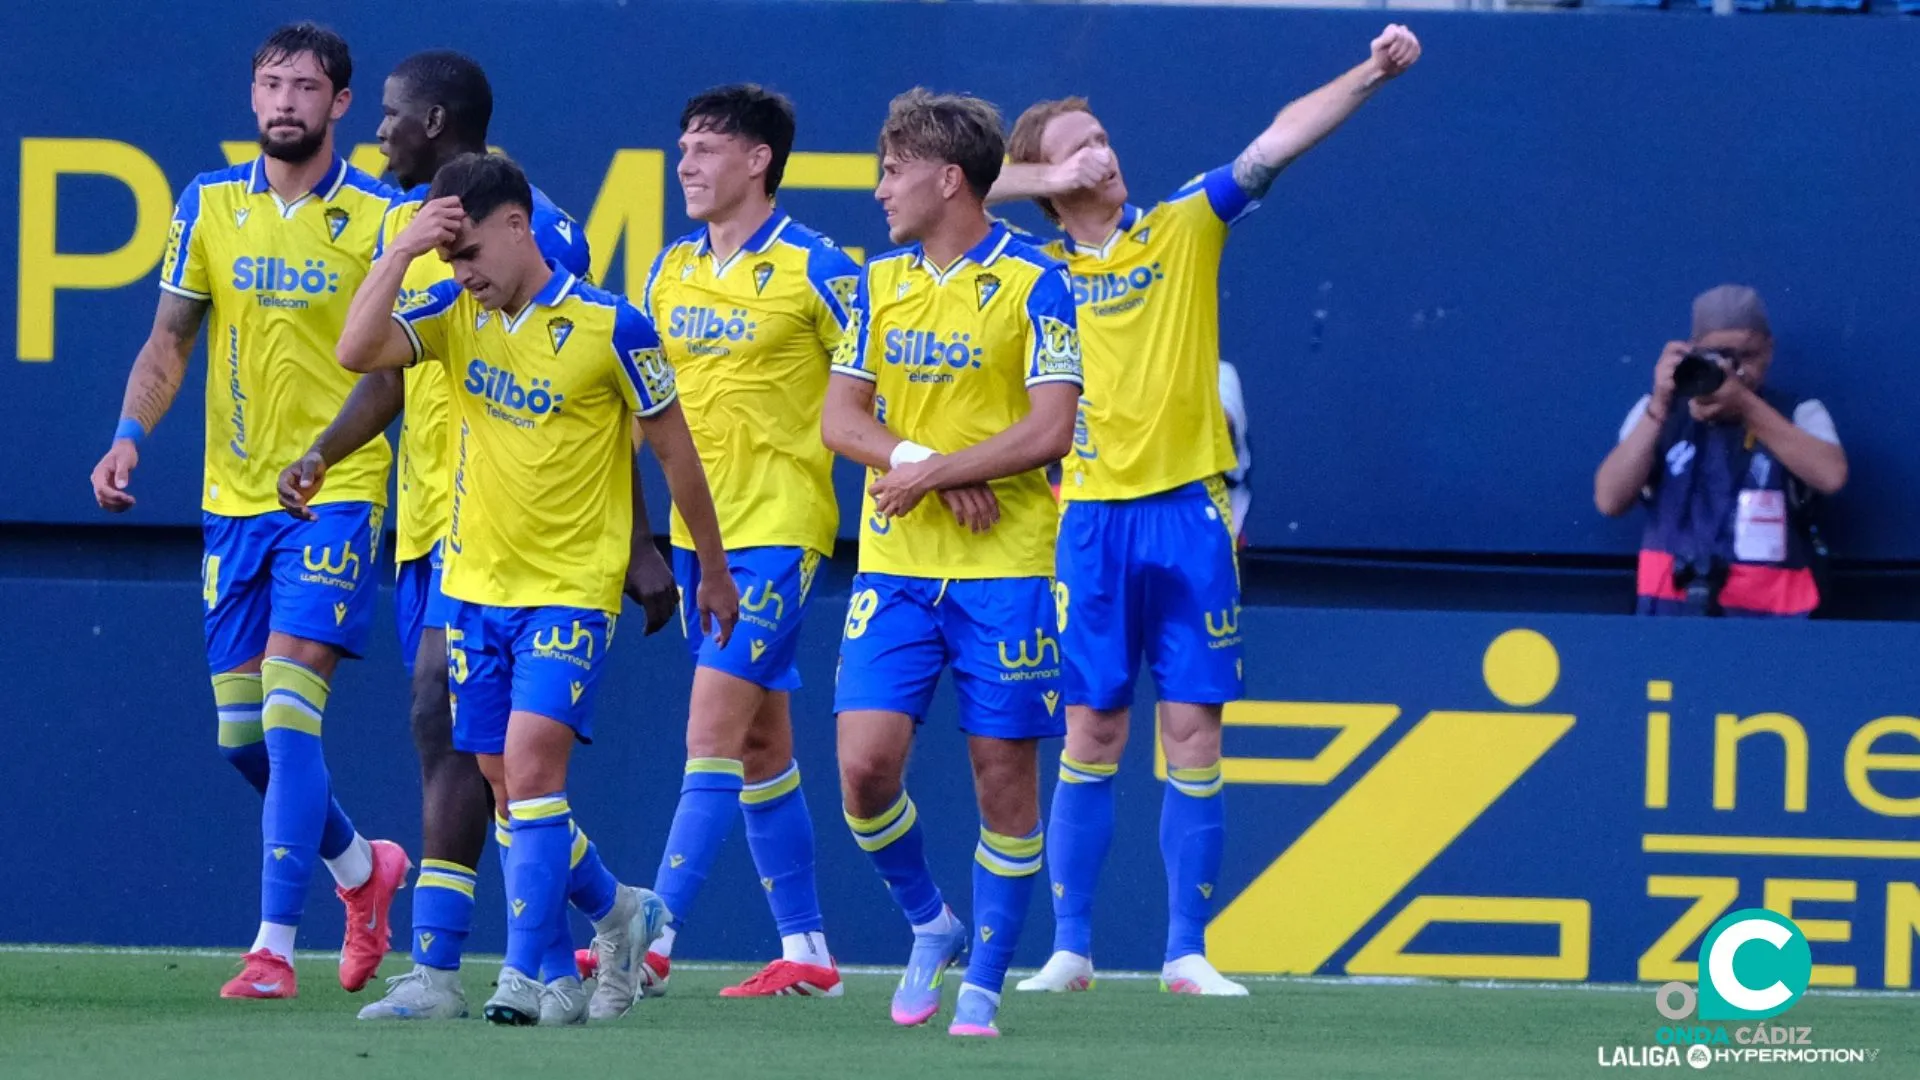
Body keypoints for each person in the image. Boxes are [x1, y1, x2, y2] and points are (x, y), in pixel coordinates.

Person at [990, 24, 1422, 996]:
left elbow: (1278, 138)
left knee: (1194, 731)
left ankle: (1187, 950)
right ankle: (1072, 950)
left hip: (1190, 516)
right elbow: (951, 195)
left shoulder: (1182, 224)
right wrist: (1037, 173)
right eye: (1081, 144)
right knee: (1091, 733)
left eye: (1105, 136)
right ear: (1044, 178)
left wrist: (1372, 71)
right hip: (1091, 521)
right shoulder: (1032, 273)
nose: (1106, 150)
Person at [279, 51, 670, 1023]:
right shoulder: (417, 231)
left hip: (522, 538)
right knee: (473, 751)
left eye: (392, 115)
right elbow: (387, 367)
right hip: (432, 514)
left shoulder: (535, 232)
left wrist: (641, 542)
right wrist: (326, 451)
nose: (379, 132)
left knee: (457, 724)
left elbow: (592, 385)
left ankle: (456, 968)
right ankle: (611, 911)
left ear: (438, 123)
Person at [334, 152, 738, 1025]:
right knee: (503, 784)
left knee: (529, 768)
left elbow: (676, 454)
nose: (465, 273)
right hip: (472, 585)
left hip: (569, 590)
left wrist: (710, 566)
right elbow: (355, 348)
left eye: (472, 251)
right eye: (453, 260)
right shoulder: (449, 310)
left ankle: (525, 976)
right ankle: (622, 913)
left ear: (518, 226)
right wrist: (403, 253)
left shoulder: (613, 327)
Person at [86, 22, 408, 1001]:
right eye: (270, 84)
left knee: (289, 710)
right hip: (233, 504)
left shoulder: (384, 218)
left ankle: (273, 945)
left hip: (335, 496)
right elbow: (167, 344)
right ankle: (362, 870)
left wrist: (327, 455)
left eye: (305, 87)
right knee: (243, 742)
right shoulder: (209, 204)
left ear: (340, 104)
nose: (284, 102)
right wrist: (128, 434)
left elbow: (397, 371)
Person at [823, 88, 1081, 1038]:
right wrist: (921, 465)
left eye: (893, 170)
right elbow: (841, 420)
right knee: (863, 769)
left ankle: (984, 988)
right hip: (896, 570)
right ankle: (932, 924)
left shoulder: (1036, 281)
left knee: (1002, 780)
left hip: (1006, 568)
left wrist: (940, 474)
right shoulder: (876, 284)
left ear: (948, 178)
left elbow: (1052, 428)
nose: (880, 187)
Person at [631, 84, 855, 999]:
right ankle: (809, 953)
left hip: (777, 535)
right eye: (681, 146)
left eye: (706, 147)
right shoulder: (666, 271)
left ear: (758, 159)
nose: (685, 162)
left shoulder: (823, 269)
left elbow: (886, 387)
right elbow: (637, 413)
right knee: (762, 749)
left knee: (710, 734)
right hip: (697, 540)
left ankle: (647, 938)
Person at [1594, 284, 1847, 616]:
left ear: (1769, 351)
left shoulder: (1799, 412)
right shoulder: (1658, 412)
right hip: (1669, 620)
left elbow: (1831, 476)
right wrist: (1659, 406)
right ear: (1693, 350)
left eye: (1748, 356)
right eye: (1721, 355)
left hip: (1774, 630)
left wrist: (1745, 406)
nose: (1735, 369)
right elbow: (1609, 500)